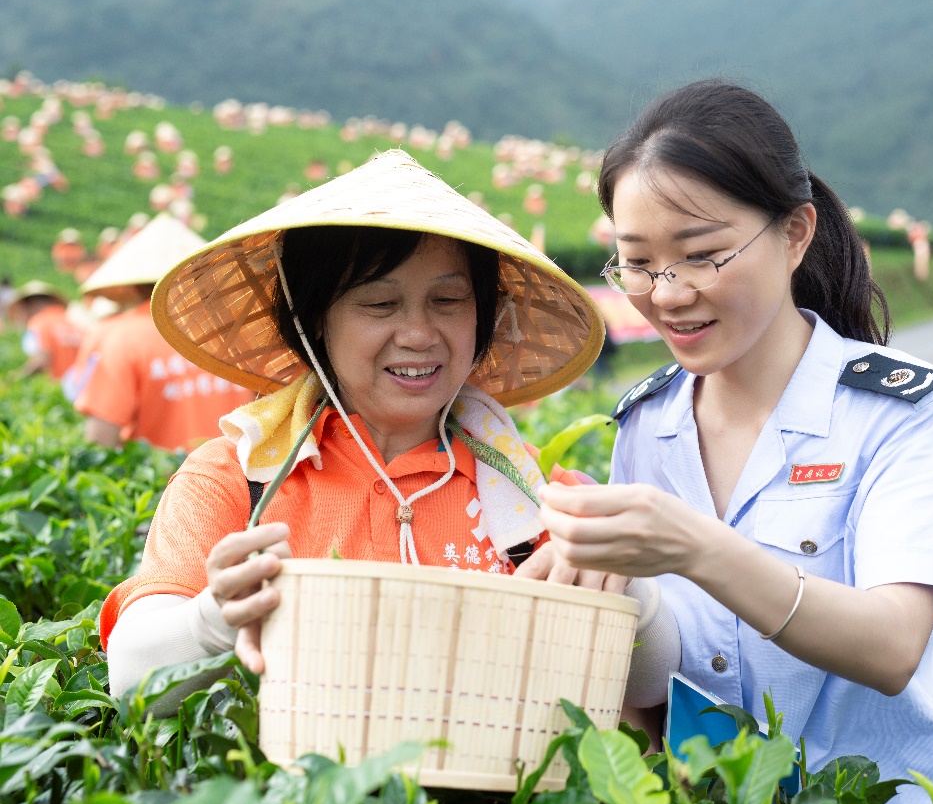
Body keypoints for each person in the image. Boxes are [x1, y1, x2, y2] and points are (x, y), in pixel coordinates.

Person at [519, 80, 933, 804]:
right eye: (637, 265)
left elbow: (893, 645)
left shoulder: (906, 412)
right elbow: (658, 696)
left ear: (795, 234)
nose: (666, 295)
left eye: (702, 256)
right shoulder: (645, 422)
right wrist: (612, 608)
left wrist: (698, 549)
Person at [100, 150, 621, 709]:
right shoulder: (234, 477)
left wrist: (627, 576)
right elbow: (132, 677)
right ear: (314, 320)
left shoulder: (531, 491)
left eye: (448, 300)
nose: (419, 333)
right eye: (379, 303)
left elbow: (650, 677)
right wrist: (209, 622)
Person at [71, 213, 257, 449]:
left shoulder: (123, 338)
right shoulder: (241, 330)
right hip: (240, 479)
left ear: (134, 284)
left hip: (161, 481)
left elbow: (100, 438)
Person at [8, 280, 83, 379]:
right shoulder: (70, 320)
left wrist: (16, 377)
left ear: (29, 305)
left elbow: (42, 358)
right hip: (84, 384)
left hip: (60, 385)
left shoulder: (39, 323)